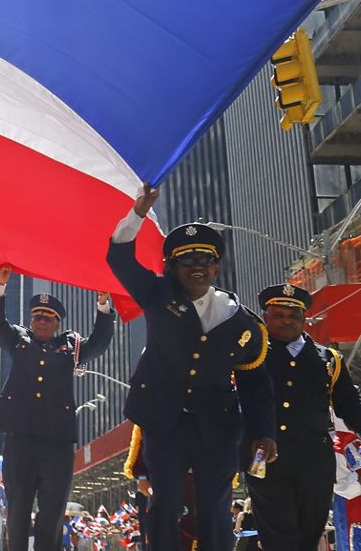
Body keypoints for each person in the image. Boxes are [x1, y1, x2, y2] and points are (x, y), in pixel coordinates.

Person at [106, 183, 276, 551]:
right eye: (186, 260)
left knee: (214, 505)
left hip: (217, 426)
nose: (196, 267)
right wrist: (137, 213)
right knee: (166, 502)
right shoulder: (156, 295)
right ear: (170, 267)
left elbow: (255, 382)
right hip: (164, 421)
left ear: (215, 267)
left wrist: (264, 432)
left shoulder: (243, 322)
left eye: (205, 260)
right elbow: (119, 258)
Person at [0, 266, 115, 551]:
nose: (42, 321)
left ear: (57, 323)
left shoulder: (70, 347)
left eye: (48, 318)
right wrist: (0, 285)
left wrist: (104, 305)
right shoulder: (19, 341)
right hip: (20, 439)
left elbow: (100, 342)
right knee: (18, 510)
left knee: (53, 511)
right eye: (37, 316)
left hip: (56, 443)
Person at [246, 283, 361, 551]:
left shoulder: (329, 359)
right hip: (262, 459)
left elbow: (349, 405)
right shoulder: (251, 354)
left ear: (304, 319)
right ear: (265, 317)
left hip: (315, 462)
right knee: (279, 537)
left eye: (294, 315)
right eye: (279, 314)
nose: (287, 320)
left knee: (309, 536)